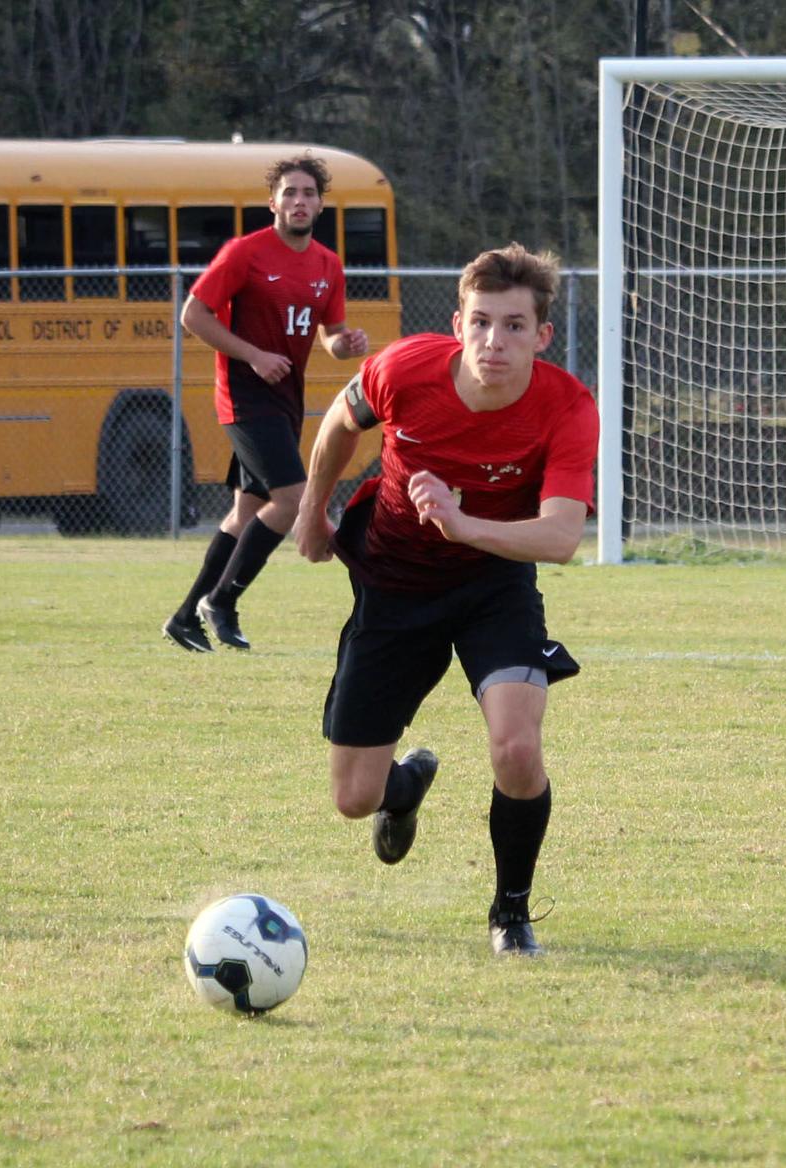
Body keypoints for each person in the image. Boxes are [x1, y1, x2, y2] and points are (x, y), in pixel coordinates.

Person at [293, 243, 598, 956]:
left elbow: (560, 538)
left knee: (516, 747)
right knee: (353, 798)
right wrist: (312, 512)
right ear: (458, 323)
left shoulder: (566, 406)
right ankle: (404, 789)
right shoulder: (403, 369)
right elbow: (340, 420)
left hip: (493, 586)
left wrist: (464, 526)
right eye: (482, 322)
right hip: (395, 583)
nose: (495, 341)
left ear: (542, 336)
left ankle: (510, 913)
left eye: (514, 326)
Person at [162, 156, 368, 653]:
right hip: (245, 396)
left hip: (285, 398)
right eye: (289, 192)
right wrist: (252, 355)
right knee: (292, 499)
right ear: (272, 202)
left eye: (308, 193)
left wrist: (345, 345)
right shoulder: (245, 253)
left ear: (321, 204)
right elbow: (194, 315)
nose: (299, 201)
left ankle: (185, 618)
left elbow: (331, 336)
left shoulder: (328, 264)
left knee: (248, 509)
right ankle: (222, 601)